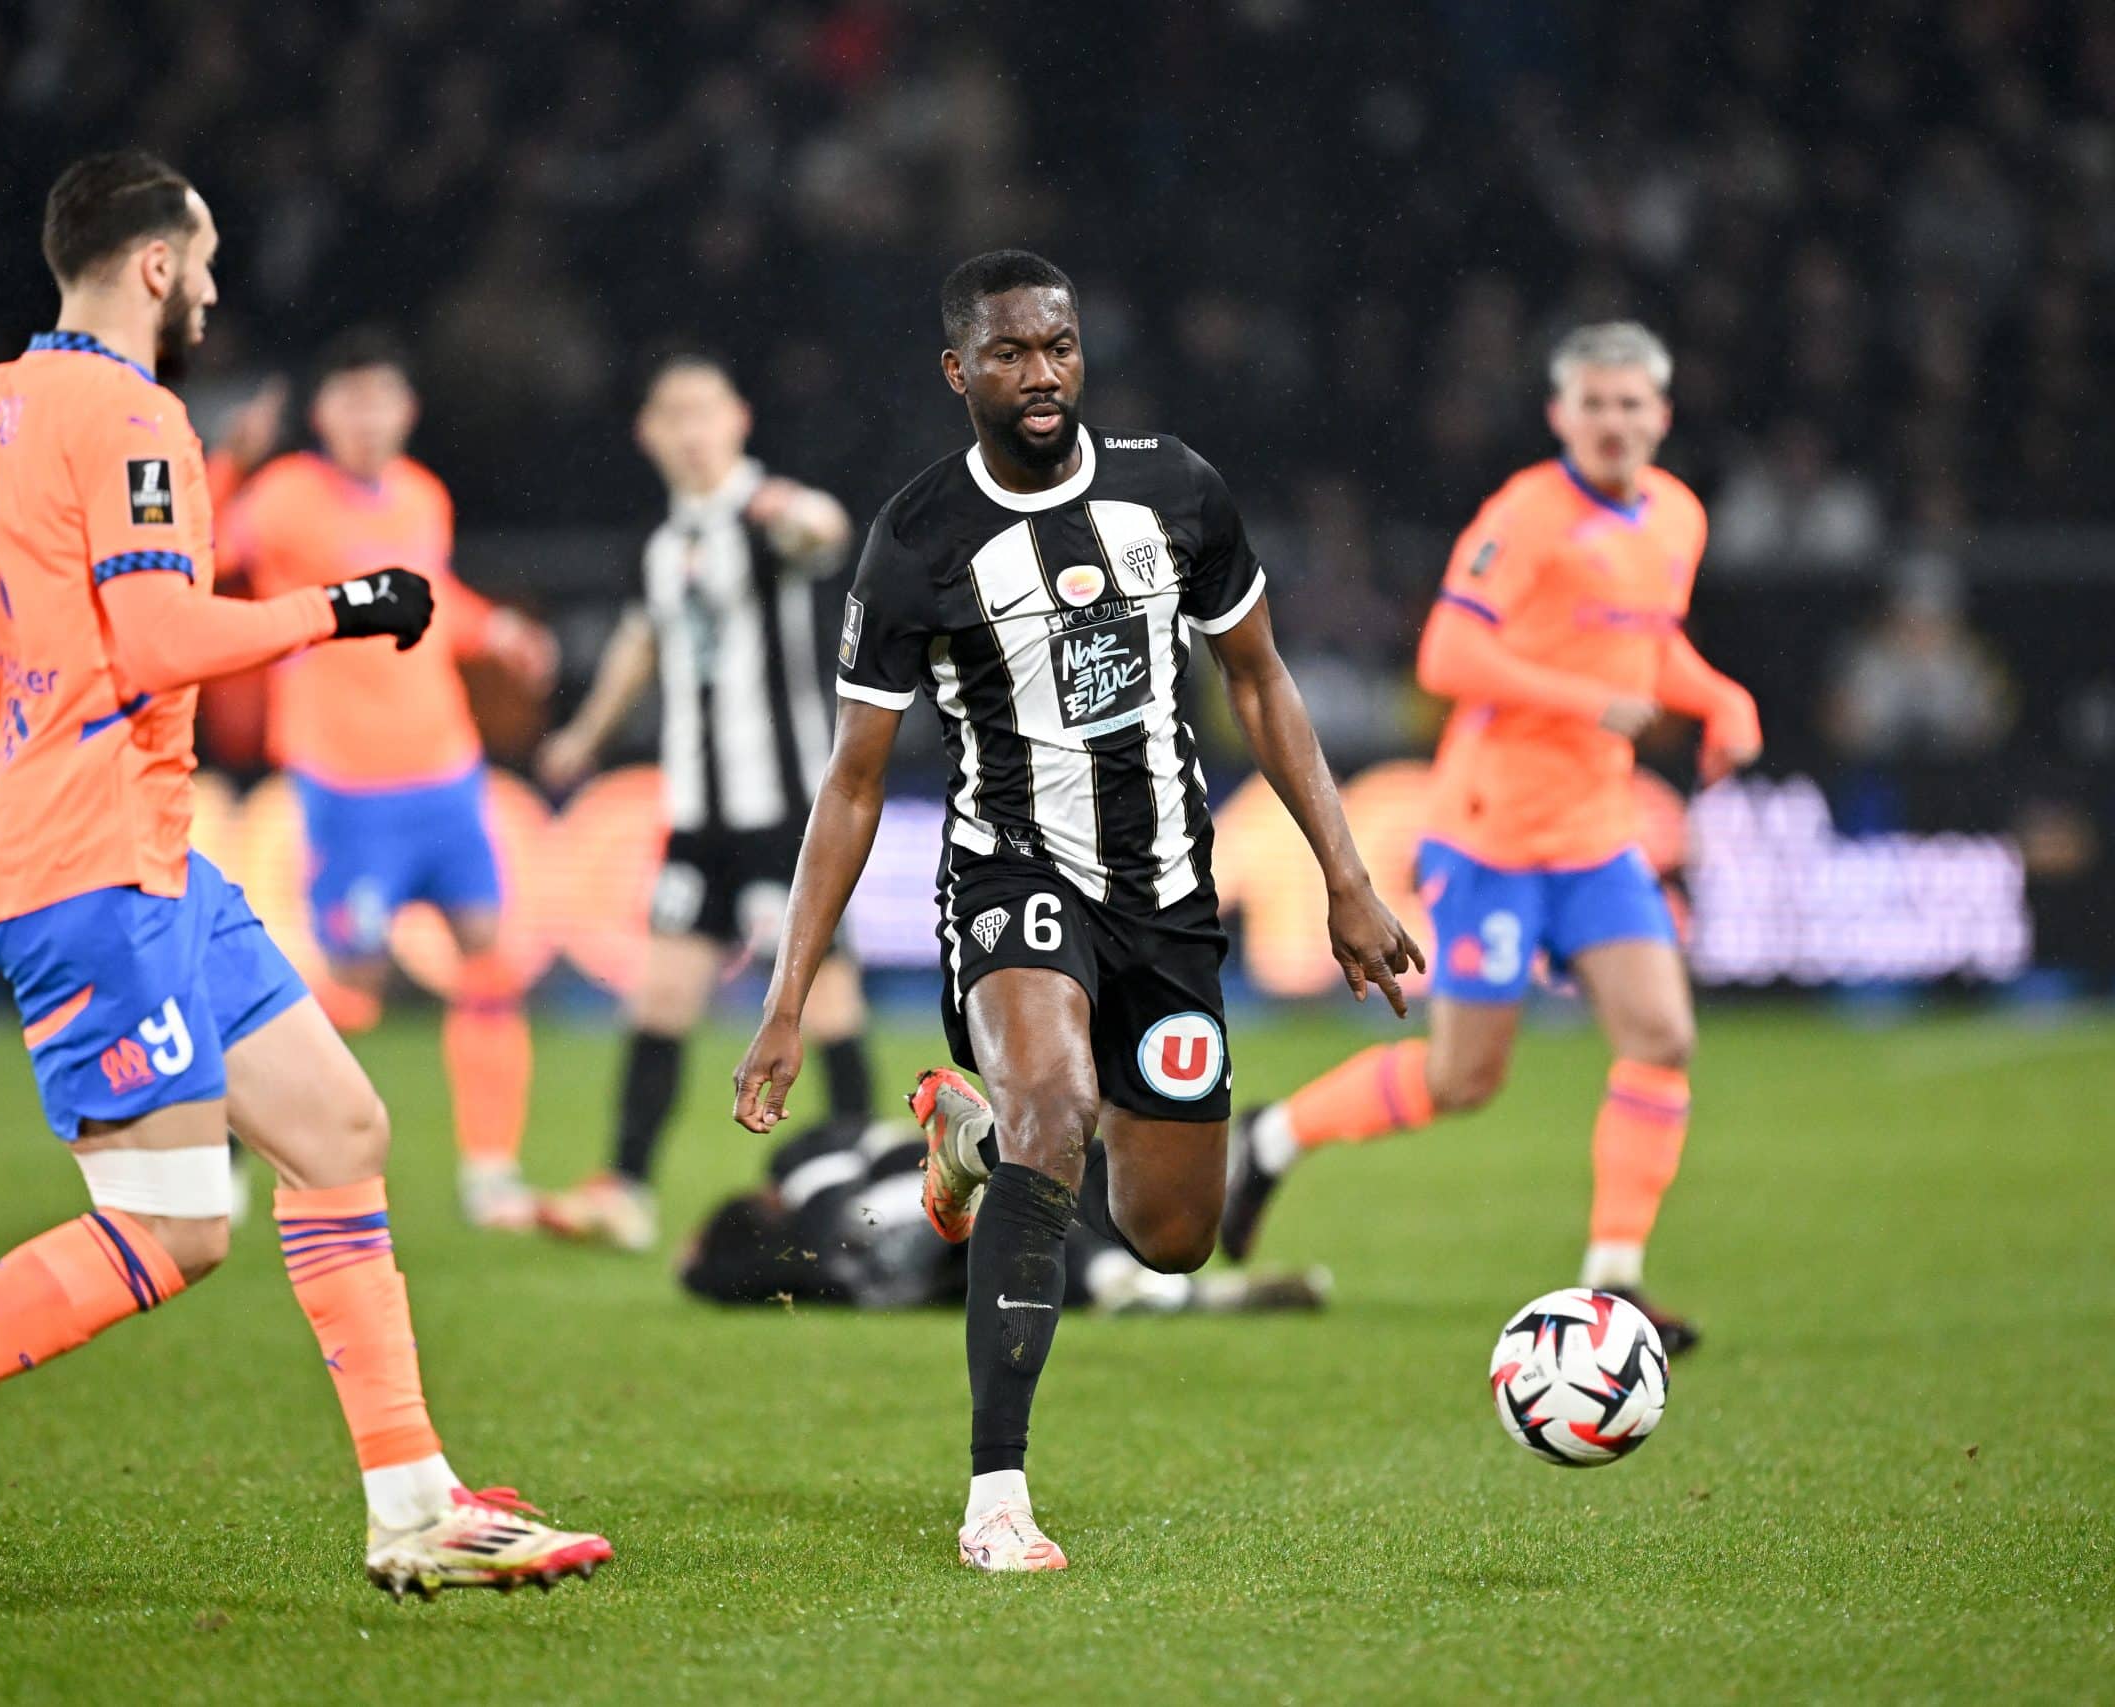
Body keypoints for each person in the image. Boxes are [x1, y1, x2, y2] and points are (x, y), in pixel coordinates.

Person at [0, 150, 608, 1605]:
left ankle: (414, 1499)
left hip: (146, 854)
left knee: (341, 1125)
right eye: (204, 260)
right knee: (173, 1228)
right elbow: (157, 643)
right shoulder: (136, 415)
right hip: (92, 864)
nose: (215, 288)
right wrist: (338, 607)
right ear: (155, 263)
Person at [730, 251, 1422, 1572]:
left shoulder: (1176, 489)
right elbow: (854, 782)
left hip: (1166, 897)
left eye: (1057, 346)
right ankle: (997, 1491)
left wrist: (1344, 875)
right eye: (1008, 354)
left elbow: (1262, 683)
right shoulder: (919, 540)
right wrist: (782, 1000)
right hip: (1012, 876)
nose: (1039, 373)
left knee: (1171, 1235)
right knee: (1056, 1111)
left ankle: (971, 1145)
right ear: (958, 372)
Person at [1220, 322, 1762, 1359]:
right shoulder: (1524, 516)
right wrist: (1583, 700)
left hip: (1597, 836)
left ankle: (1613, 1281)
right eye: (1592, 404)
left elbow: (1649, 647)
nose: (1612, 422)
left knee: (1662, 1035)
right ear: (1561, 416)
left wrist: (1720, 697)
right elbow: (1447, 651)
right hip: (1493, 833)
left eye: (1630, 404)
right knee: (1465, 1078)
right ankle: (1272, 1140)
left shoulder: (1676, 518)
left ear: (1660, 415)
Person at [216, 327, 557, 1230]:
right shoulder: (282, 496)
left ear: (407, 410)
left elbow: (433, 595)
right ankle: (230, 1127)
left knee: (490, 956)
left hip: (445, 777)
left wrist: (497, 632)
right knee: (353, 984)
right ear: (321, 412)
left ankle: (491, 1171)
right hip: (347, 788)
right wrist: (227, 465)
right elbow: (197, 558)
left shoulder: (421, 495)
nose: (368, 418)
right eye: (349, 400)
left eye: (383, 399)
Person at [534, 353, 875, 1251]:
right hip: (697, 818)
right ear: (648, 434)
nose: (689, 430)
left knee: (825, 1005)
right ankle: (629, 1191)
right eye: (671, 414)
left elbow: (824, 532)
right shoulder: (665, 543)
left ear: (738, 420)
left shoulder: (766, 516)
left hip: (788, 814)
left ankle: (874, 1194)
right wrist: (584, 737)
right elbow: (642, 642)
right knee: (660, 998)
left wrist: (804, 512)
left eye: (704, 411)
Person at [679, 1108, 1330, 1317]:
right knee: (1035, 1200)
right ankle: (1146, 1272)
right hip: (916, 1206)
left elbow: (714, 1277)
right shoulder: (806, 1166)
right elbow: (895, 1144)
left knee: (1021, 1254)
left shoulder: (801, 1250)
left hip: (898, 1258)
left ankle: (1148, 1284)